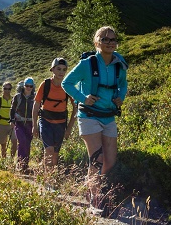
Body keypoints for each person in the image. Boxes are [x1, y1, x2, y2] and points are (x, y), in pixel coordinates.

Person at [61, 26, 128, 213]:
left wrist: (120, 97)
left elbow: (123, 84)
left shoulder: (119, 64)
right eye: (105, 39)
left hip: (108, 117)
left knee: (111, 160)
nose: (110, 42)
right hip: (88, 116)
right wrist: (83, 98)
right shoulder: (87, 64)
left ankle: (100, 192)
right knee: (97, 159)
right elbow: (67, 82)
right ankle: (95, 200)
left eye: (113, 39)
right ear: (97, 42)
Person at [32, 58, 77, 169]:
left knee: (55, 154)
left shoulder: (67, 86)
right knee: (49, 150)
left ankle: (53, 176)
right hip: (45, 121)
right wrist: (34, 126)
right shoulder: (45, 84)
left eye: (64, 69)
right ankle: (48, 180)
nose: (61, 72)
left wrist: (69, 128)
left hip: (61, 124)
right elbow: (36, 105)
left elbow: (76, 107)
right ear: (52, 69)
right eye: (58, 69)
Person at [10, 77, 36, 172]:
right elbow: (12, 109)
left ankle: (25, 165)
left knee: (27, 143)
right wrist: (12, 120)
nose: (28, 88)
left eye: (30, 86)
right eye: (27, 86)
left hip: (30, 123)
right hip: (19, 123)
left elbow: (38, 109)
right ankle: (21, 164)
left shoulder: (35, 97)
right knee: (22, 142)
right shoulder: (17, 97)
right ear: (23, 86)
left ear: (33, 87)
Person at [0, 82, 16, 159]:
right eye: (5, 88)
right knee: (3, 144)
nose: (7, 90)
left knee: (14, 141)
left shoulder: (14, 100)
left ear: (11, 90)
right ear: (2, 89)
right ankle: (3, 159)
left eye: (9, 89)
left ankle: (12, 158)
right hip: (2, 125)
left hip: (12, 125)